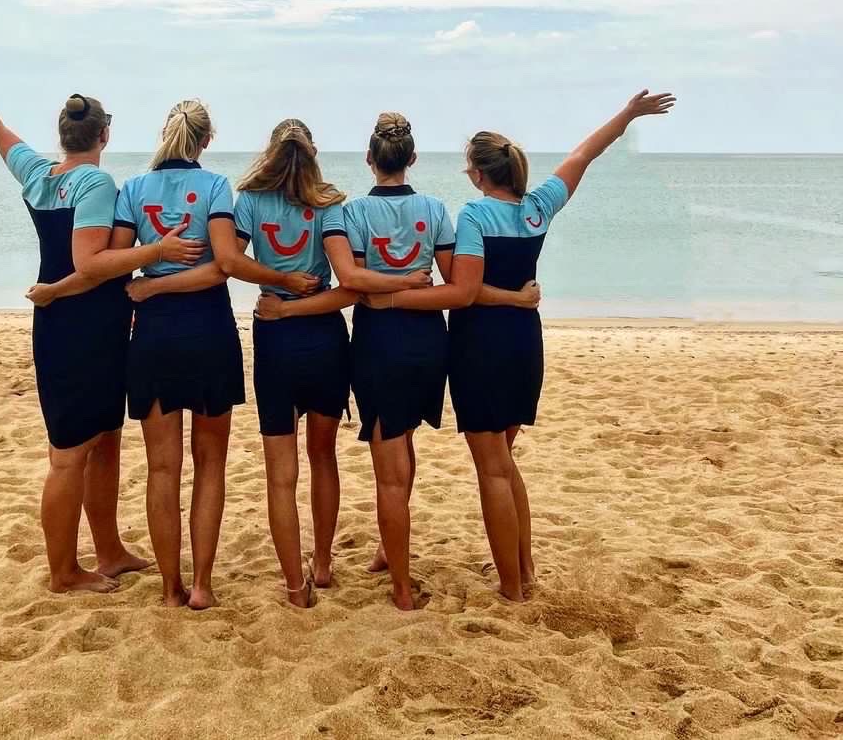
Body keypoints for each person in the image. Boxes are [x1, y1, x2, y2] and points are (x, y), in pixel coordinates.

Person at [0, 55, 203, 594]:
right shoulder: (94, 182)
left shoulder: (37, 172)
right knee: (70, 452)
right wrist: (158, 249)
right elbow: (89, 264)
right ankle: (64, 571)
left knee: (106, 440)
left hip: (78, 321)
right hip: (81, 323)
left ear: (63, 136)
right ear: (104, 134)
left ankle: (111, 550)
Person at [382, 89, 676, 602]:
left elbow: (465, 292)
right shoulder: (538, 208)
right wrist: (626, 115)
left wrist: (399, 296)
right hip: (524, 345)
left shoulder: (474, 216)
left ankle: (513, 587)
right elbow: (584, 154)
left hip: (481, 346)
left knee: (492, 467)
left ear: (477, 173)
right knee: (505, 461)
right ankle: (525, 568)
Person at [34, 100, 317, 609]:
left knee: (162, 469)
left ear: (164, 135)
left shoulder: (133, 191)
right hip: (208, 331)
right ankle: (202, 585)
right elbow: (224, 267)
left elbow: (106, 265)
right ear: (205, 141)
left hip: (154, 339)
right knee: (211, 465)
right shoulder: (215, 188)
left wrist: (95, 287)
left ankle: (169, 588)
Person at [233, 119, 431, 607]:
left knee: (281, 472)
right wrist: (305, 290)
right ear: (313, 151)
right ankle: (322, 563)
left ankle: (296, 587)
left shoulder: (251, 201)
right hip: (324, 337)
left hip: (275, 334)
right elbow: (349, 287)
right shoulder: (329, 204)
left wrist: (277, 288)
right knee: (323, 457)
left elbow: (228, 262)